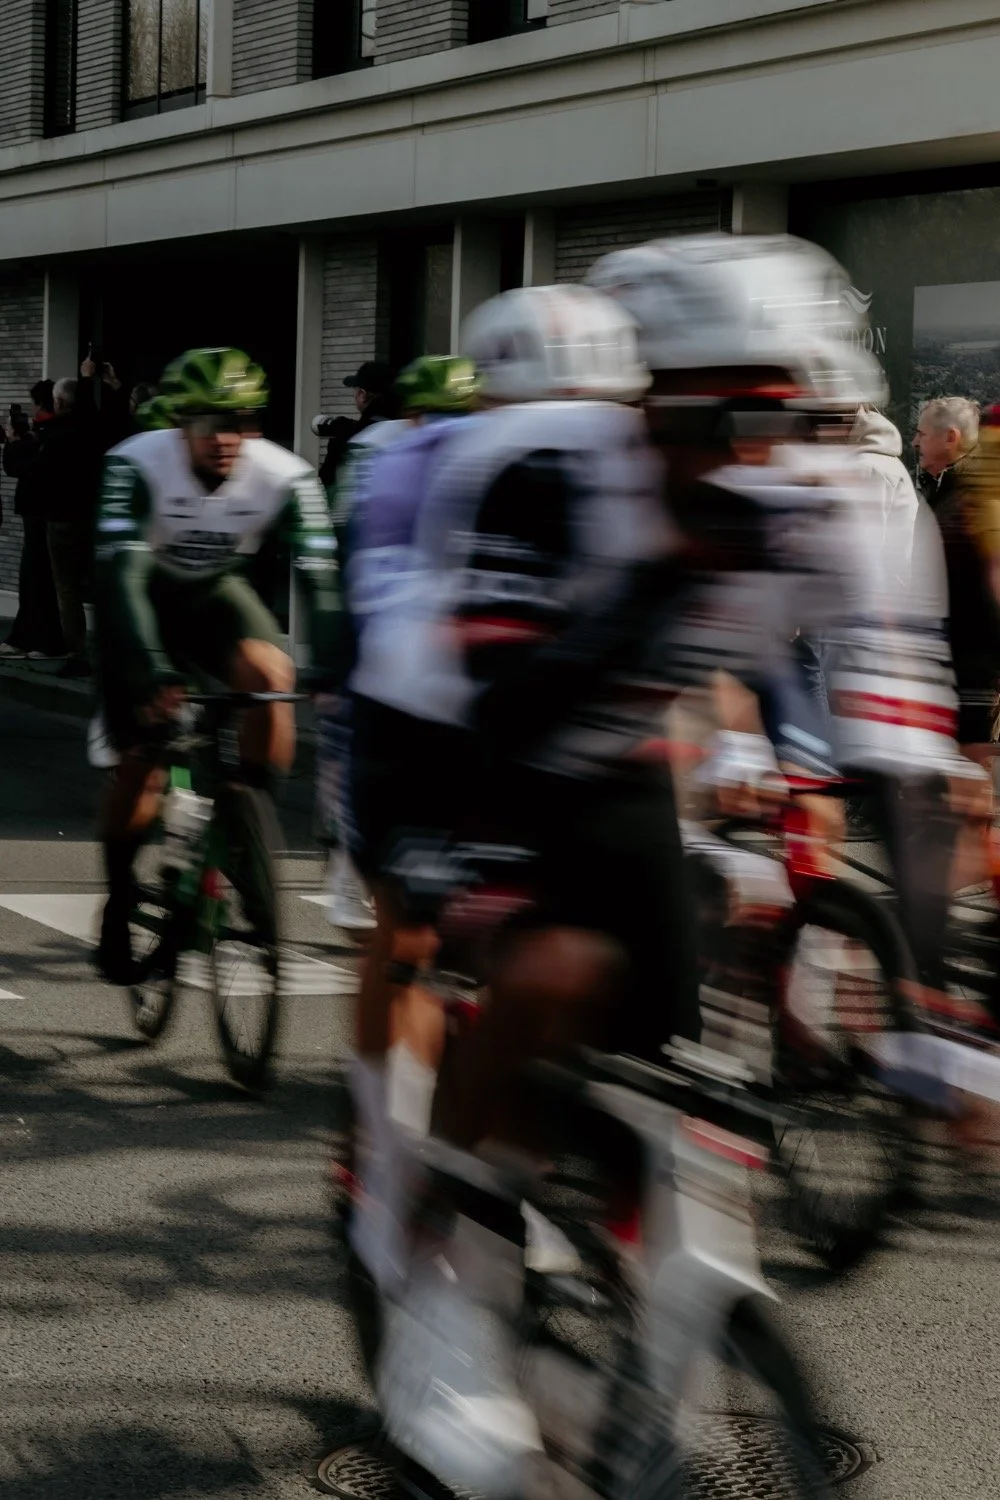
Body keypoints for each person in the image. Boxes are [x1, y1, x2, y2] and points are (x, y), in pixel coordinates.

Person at [92, 347, 341, 986]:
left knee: (273, 678)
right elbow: (122, 576)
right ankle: (120, 897)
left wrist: (336, 665)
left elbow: (320, 577)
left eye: (242, 422)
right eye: (210, 424)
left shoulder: (286, 475)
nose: (228, 438)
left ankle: (245, 833)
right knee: (146, 755)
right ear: (180, 426)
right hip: (141, 608)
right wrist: (149, 669)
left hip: (214, 600)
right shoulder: (134, 463)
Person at [0, 380, 66, 662]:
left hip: (43, 514)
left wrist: (14, 443)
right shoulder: (46, 433)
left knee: (37, 579)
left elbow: (18, 468)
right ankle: (32, 638)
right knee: (37, 579)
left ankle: (41, 640)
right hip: (43, 514)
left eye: (34, 404)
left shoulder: (50, 435)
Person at [315, 360, 394, 489]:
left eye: (355, 391)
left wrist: (339, 437)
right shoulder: (408, 428)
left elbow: (327, 486)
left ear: (362, 395)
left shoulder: (351, 439)